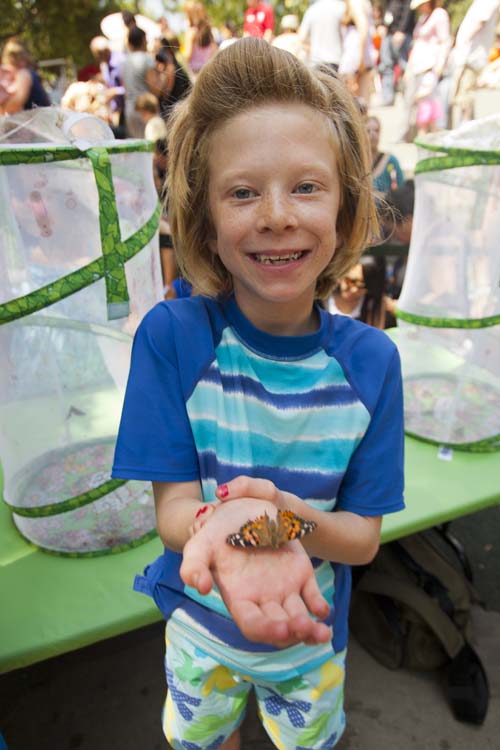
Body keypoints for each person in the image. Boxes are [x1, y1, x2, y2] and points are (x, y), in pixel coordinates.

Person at [112, 38, 404, 750]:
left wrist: (288, 520)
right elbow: (175, 511)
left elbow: (361, 539)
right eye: (243, 191)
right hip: (199, 635)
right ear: (205, 217)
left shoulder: (373, 364)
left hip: (308, 641)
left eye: (307, 186)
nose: (276, 214)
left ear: (344, 206)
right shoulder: (172, 339)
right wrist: (232, 518)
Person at [401, 0, 451, 139]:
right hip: (417, 66)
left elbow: (445, 41)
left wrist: (439, 65)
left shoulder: (439, 15)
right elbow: (417, 44)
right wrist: (409, 68)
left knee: (428, 103)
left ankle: (431, 136)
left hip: (430, 65)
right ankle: (416, 134)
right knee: (416, 102)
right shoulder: (423, 19)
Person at [448, 0, 500, 126]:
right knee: (462, 94)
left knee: (466, 94)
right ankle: (466, 126)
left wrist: (464, 41)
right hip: (469, 55)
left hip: (472, 56)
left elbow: (480, 21)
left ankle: (466, 126)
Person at [326, 255, 396, 329]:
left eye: (362, 286)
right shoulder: (321, 298)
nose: (354, 290)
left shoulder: (375, 305)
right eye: (351, 281)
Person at [377, 0, 415, 106]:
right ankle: (388, 98)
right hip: (389, 33)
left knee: (405, 66)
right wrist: (382, 24)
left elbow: (409, 8)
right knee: (386, 66)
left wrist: (402, 30)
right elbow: (386, 8)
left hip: (403, 34)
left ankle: (409, 97)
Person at [121, 26, 156, 138]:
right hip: (146, 109)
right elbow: (154, 87)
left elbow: (124, 86)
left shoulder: (125, 62)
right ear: (142, 40)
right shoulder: (147, 59)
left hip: (130, 108)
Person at [0, 37, 50, 114]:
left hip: (37, 121)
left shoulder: (24, 74)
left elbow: (16, 103)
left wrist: (3, 109)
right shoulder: (28, 73)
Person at [365, 115, 404, 195]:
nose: (372, 135)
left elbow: (401, 191)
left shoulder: (391, 160)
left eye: (376, 130)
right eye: (368, 131)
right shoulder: (357, 163)